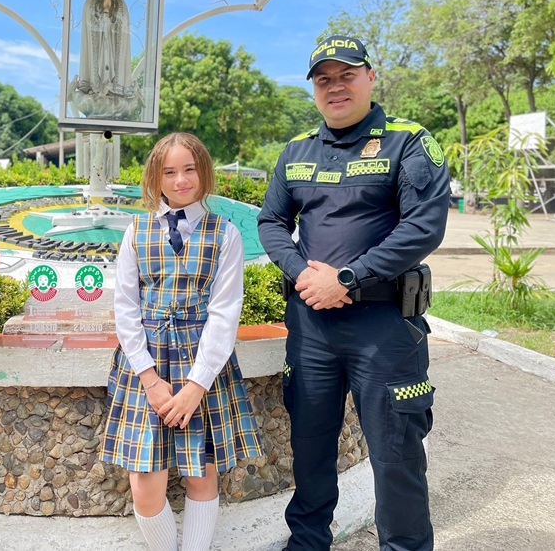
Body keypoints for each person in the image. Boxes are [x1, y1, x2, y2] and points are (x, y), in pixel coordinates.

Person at [257, 35, 450, 551]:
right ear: (314, 89)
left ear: (369, 77)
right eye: (324, 79)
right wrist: (305, 275)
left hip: (383, 329)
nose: (335, 87)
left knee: (396, 456)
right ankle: (307, 543)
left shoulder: (407, 141)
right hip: (313, 327)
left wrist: (346, 278)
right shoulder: (296, 151)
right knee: (310, 449)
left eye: (346, 75)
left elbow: (423, 228)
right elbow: (272, 221)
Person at [99, 132, 262, 551]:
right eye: (169, 171)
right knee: (145, 482)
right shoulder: (136, 231)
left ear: (204, 173)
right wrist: (151, 380)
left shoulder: (225, 234)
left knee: (200, 472)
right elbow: (125, 308)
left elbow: (225, 314)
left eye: (189, 169)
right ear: (156, 177)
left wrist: (195, 385)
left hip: (200, 366)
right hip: (146, 366)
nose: (180, 180)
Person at [68, 0, 142, 120]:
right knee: (100, 58)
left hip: (111, 35)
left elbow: (122, 16)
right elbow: (89, 13)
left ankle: (112, 89)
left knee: (110, 56)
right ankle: (97, 88)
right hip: (98, 37)